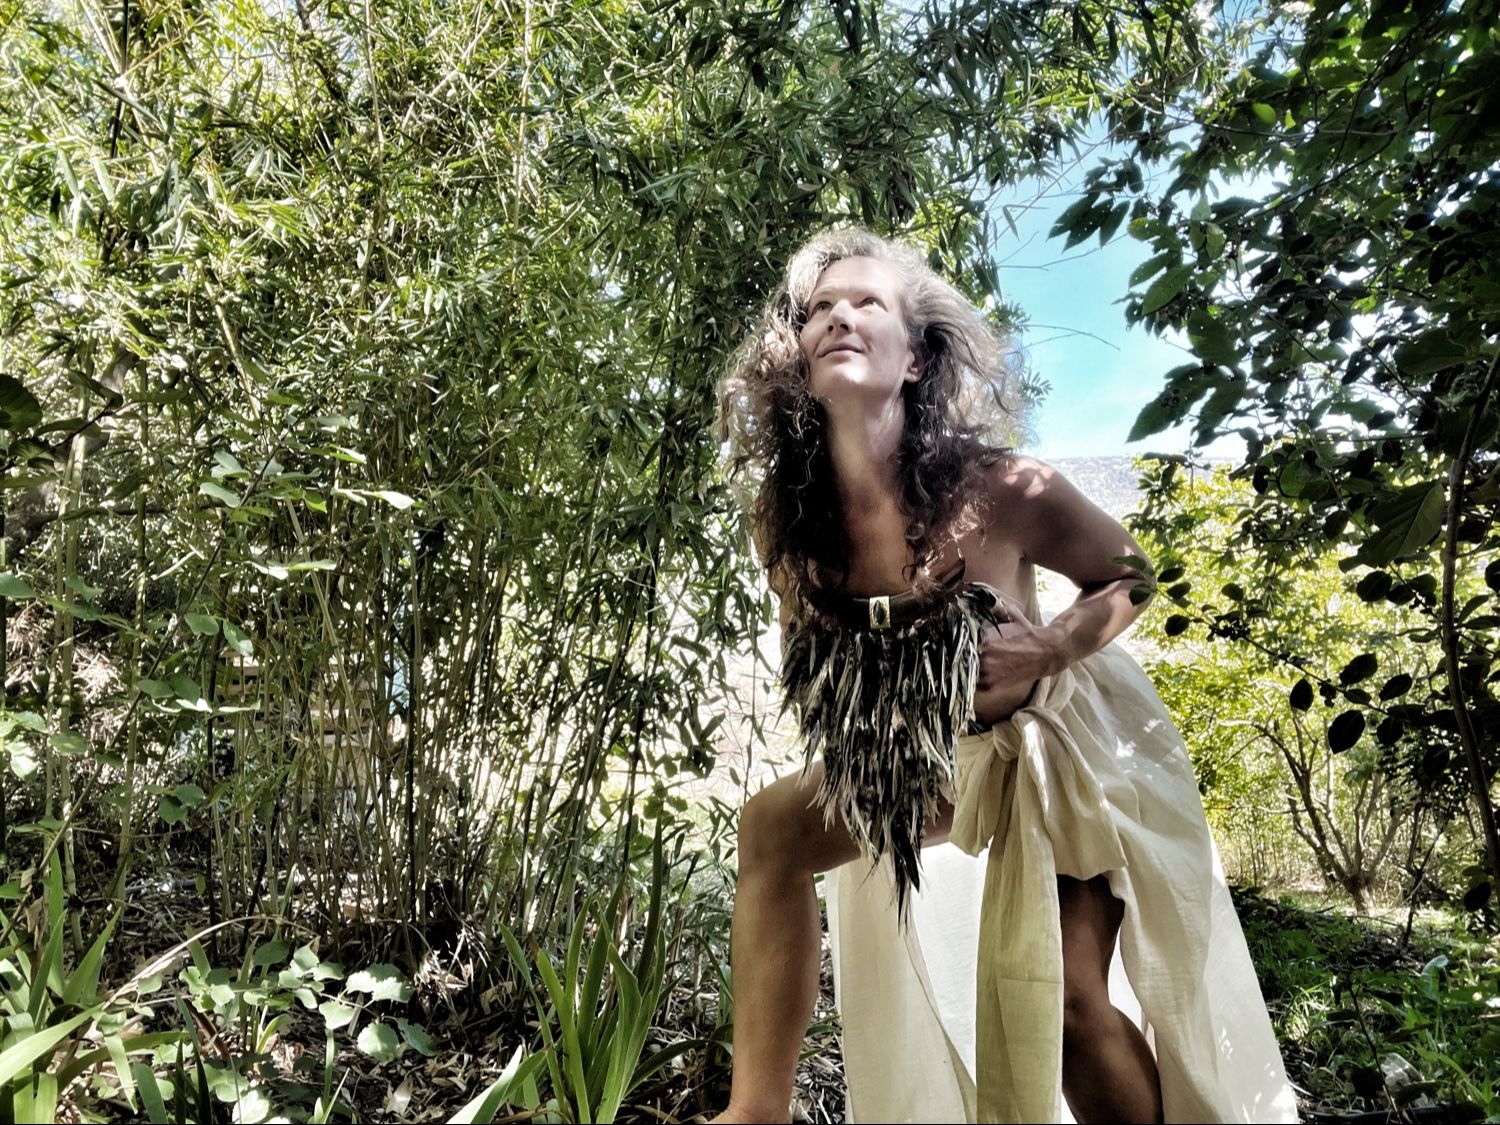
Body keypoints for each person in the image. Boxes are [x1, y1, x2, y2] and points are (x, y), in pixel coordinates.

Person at [713, 227, 1297, 1125]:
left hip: (1066, 750)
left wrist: (1050, 646)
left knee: (1068, 1005)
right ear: (796, 357)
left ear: (916, 358)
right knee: (773, 827)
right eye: (820, 308)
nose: (838, 317)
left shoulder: (1003, 486)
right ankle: (755, 1114)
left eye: (867, 302)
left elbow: (1130, 575)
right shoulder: (787, 519)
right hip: (936, 758)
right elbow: (820, 663)